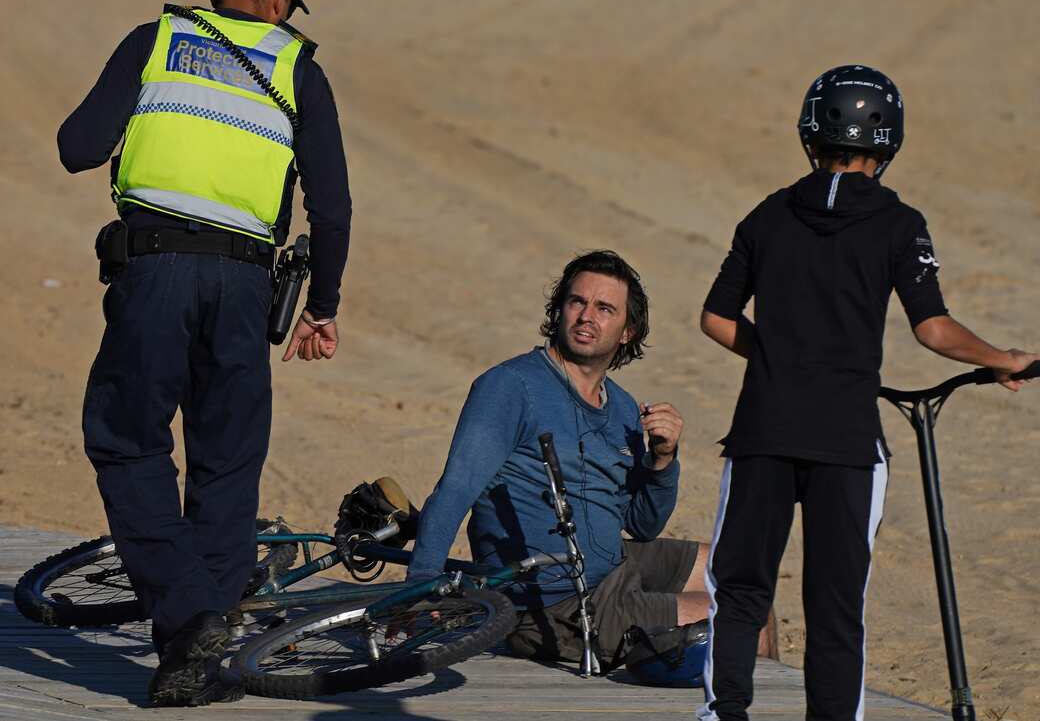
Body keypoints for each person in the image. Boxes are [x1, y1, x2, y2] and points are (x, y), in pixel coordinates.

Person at [56, 0, 351, 707]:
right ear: (282, 0)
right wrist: (323, 306)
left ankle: (190, 621)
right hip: (247, 288)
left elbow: (75, 148)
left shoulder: (157, 41)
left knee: (126, 441)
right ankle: (200, 659)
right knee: (226, 462)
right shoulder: (299, 72)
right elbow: (333, 206)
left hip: (152, 270)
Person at [698, 65, 1037, 721]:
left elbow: (716, 318)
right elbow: (933, 328)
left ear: (811, 133)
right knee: (835, 601)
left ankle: (724, 714)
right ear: (886, 140)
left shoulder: (768, 213)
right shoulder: (898, 222)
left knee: (739, 587)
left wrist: (776, 355)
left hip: (763, 427)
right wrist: (1002, 358)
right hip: (846, 439)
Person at [406, 250, 776, 671]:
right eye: (577, 302)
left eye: (604, 308)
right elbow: (453, 491)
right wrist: (421, 587)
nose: (587, 316)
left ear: (626, 331)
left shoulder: (621, 407)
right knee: (744, 621)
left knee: (745, 574)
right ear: (559, 309)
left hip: (612, 566)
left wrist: (663, 458)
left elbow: (641, 523)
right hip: (554, 604)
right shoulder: (510, 386)